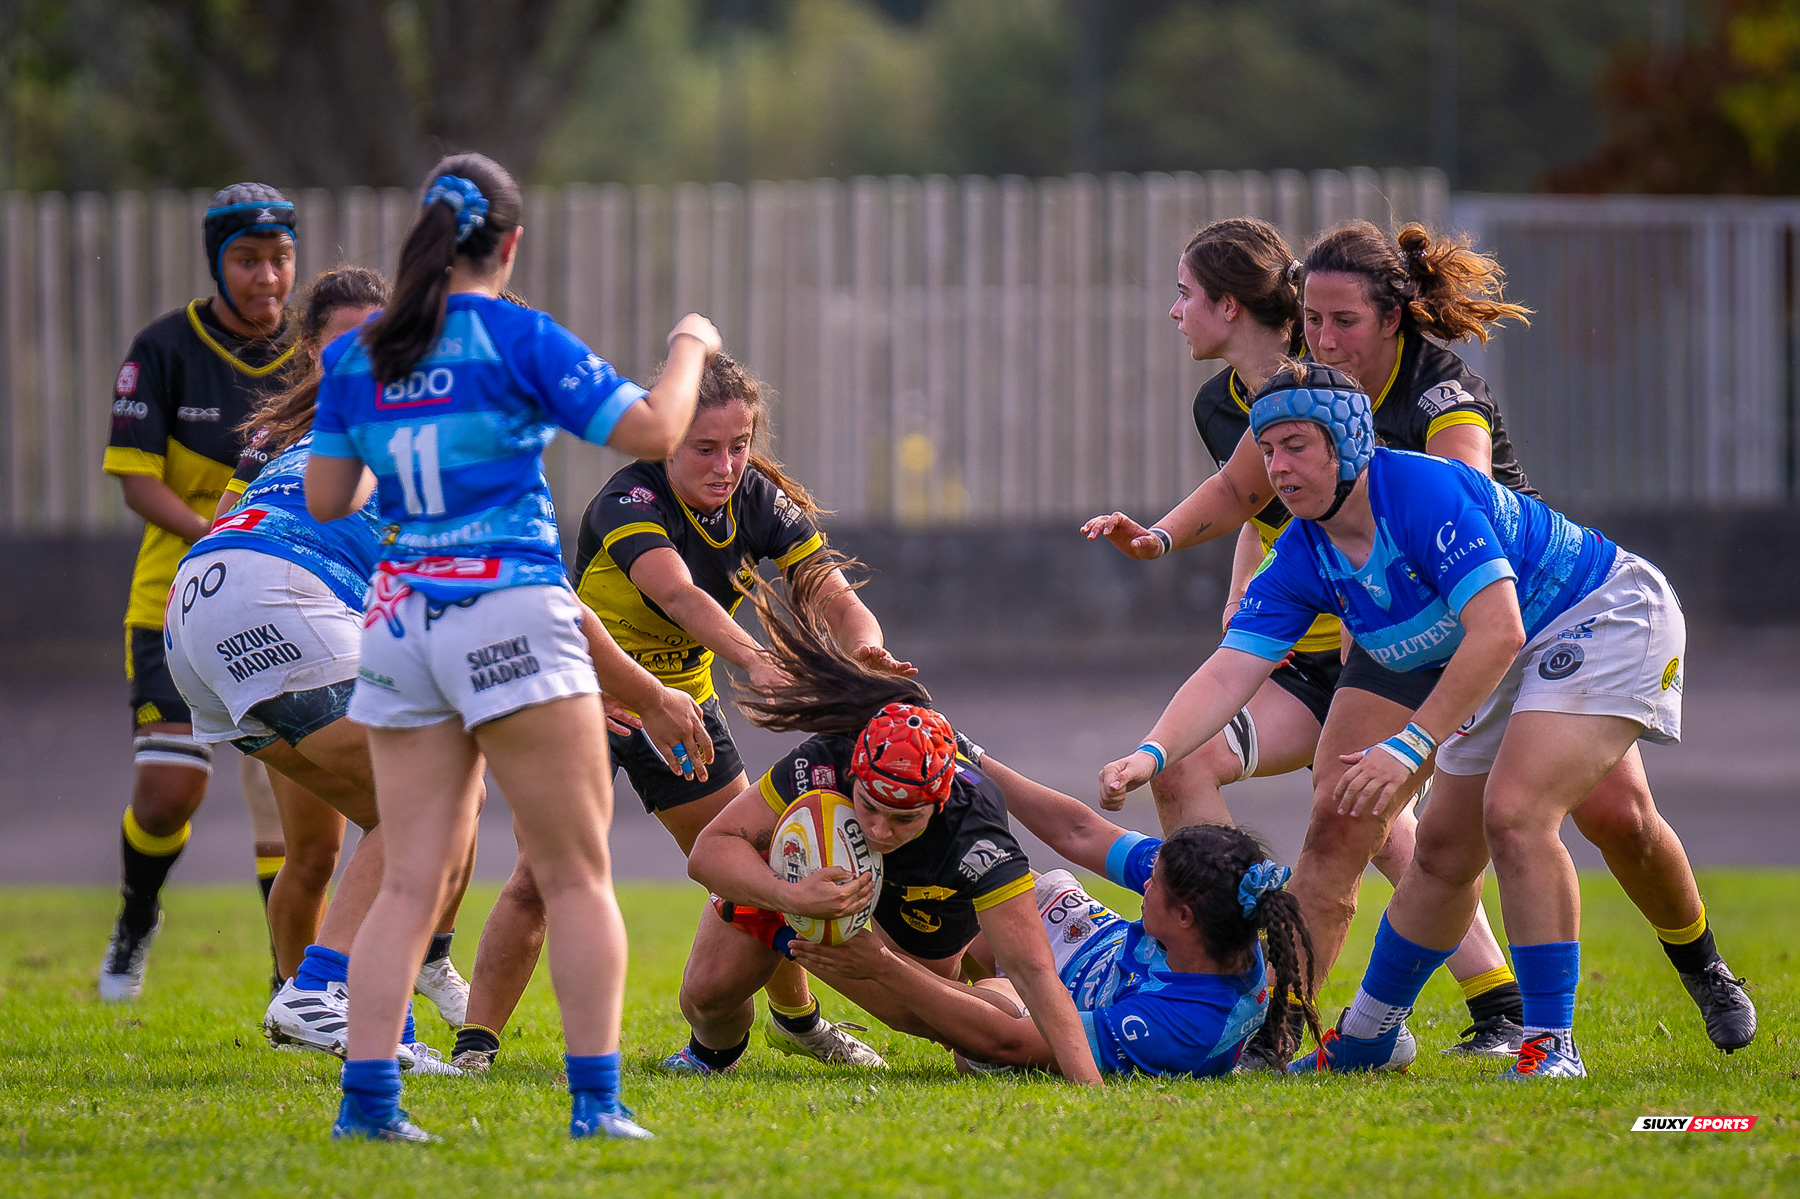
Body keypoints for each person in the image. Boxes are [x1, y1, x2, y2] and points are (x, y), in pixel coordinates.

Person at [1084, 221, 1753, 1058]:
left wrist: (1411, 740)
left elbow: (1495, 613)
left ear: (1391, 320)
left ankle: (1613, 1011)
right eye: (1310, 319)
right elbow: (1229, 654)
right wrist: (1149, 750)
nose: (1321, 337)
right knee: (1399, 834)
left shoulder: (1435, 435)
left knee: (1576, 816)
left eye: (1341, 321)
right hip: (1428, 631)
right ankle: (1324, 1035)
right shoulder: (1299, 504)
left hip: (1571, 614)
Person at [306, 152, 721, 1142]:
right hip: (509, 614)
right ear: (512, 242)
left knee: (408, 877)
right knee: (577, 872)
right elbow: (661, 427)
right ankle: (597, 1104)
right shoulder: (516, 336)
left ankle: (368, 1109)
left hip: (401, 625)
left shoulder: (358, 355)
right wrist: (692, 340)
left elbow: (328, 500)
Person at [1089, 217, 1525, 1059]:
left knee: (1377, 801)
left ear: (1227, 304)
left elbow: (1446, 498)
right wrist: (1212, 578)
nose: (1173, 311)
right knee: (1197, 764)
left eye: (1184, 294)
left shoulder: (1361, 395)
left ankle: (1495, 1003)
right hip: (1305, 652)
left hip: (1407, 645)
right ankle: (1234, 980)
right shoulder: (1227, 407)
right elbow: (1251, 503)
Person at [450, 351, 912, 1074]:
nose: (726, 464)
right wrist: (755, 658)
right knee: (540, 876)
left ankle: (797, 1019)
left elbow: (829, 590)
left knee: (758, 861)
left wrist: (869, 648)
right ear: (665, 441)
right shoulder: (626, 500)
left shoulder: (757, 498)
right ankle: (474, 1049)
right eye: (705, 447)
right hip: (585, 701)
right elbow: (679, 595)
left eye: (738, 445)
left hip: (682, 713)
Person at [175, 266, 481, 1072]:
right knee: (435, 796)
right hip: (282, 595)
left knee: (401, 815)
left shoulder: (322, 426)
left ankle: (371, 1018)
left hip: (199, 610)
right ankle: (319, 985)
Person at [667, 554, 1103, 1086]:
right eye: (868, 805)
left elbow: (1035, 973)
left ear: (938, 801)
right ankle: (716, 1052)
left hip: (913, 923)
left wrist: (1091, 1096)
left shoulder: (974, 827)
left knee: (962, 1032)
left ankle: (988, 958)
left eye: (904, 819)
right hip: (798, 890)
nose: (878, 829)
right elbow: (709, 850)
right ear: (854, 770)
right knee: (705, 996)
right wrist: (789, 896)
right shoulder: (826, 760)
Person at [791, 735, 1323, 1079]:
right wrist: (970, 759)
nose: (1147, 878)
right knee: (994, 883)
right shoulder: (1209, 898)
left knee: (977, 1033)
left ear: (1183, 916)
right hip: (1074, 932)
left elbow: (1010, 1042)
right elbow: (1080, 830)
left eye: (1153, 882)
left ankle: (785, 932)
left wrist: (881, 967)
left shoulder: (1182, 1027)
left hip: (1057, 1001)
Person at [99, 184, 299, 1002]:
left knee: (291, 807)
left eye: (281, 257)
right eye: (248, 259)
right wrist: (219, 534)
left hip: (287, 608)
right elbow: (137, 483)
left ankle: (293, 980)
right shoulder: (163, 349)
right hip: (173, 607)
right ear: (218, 261)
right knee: (170, 787)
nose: (268, 276)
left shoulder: (308, 359)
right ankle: (138, 913)